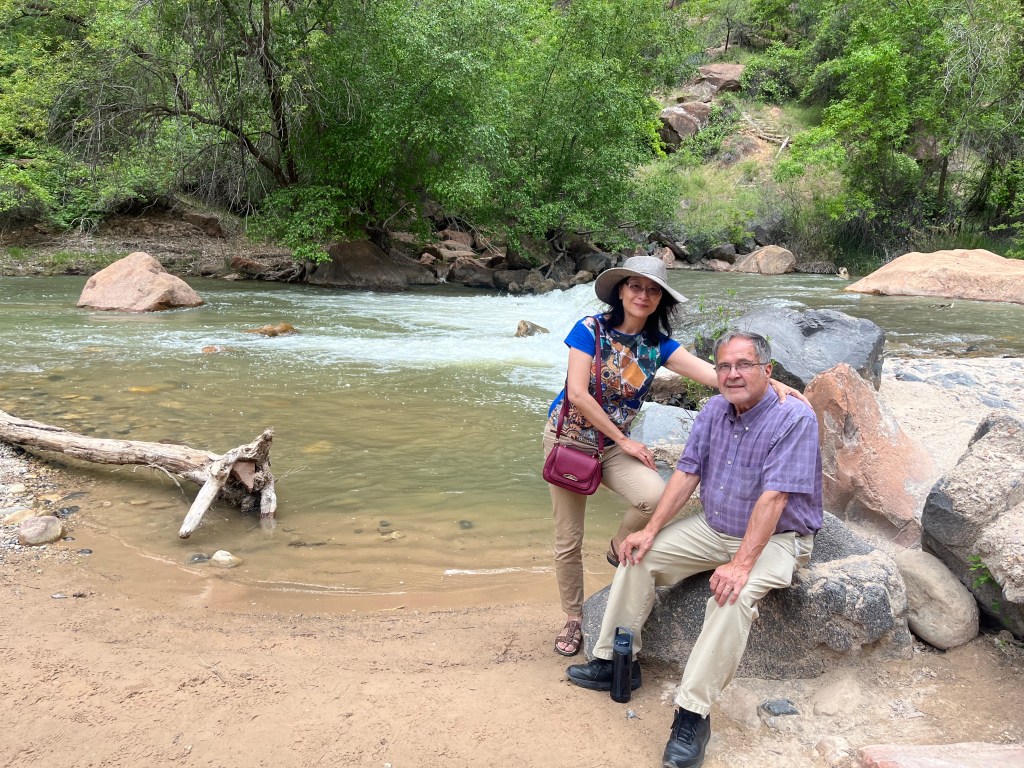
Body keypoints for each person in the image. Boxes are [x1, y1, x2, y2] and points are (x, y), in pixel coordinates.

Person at [565, 330, 823, 768]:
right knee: (637, 556)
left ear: (767, 370)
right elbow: (686, 473)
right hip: (713, 526)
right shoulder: (715, 409)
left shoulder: (794, 417)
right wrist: (651, 530)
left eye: (744, 365)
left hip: (777, 537)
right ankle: (614, 661)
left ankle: (692, 714)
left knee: (731, 596)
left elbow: (775, 497)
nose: (732, 374)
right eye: (724, 366)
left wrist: (741, 565)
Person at [543, 256, 807, 657]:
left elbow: (720, 375)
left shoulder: (658, 346)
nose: (643, 295)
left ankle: (618, 547)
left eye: (653, 290)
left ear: (660, 300)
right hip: (570, 441)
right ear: (620, 290)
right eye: (635, 286)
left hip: (611, 448)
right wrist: (625, 440)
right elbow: (578, 393)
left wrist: (773, 383)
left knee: (652, 496)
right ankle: (574, 618)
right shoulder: (590, 330)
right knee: (568, 539)